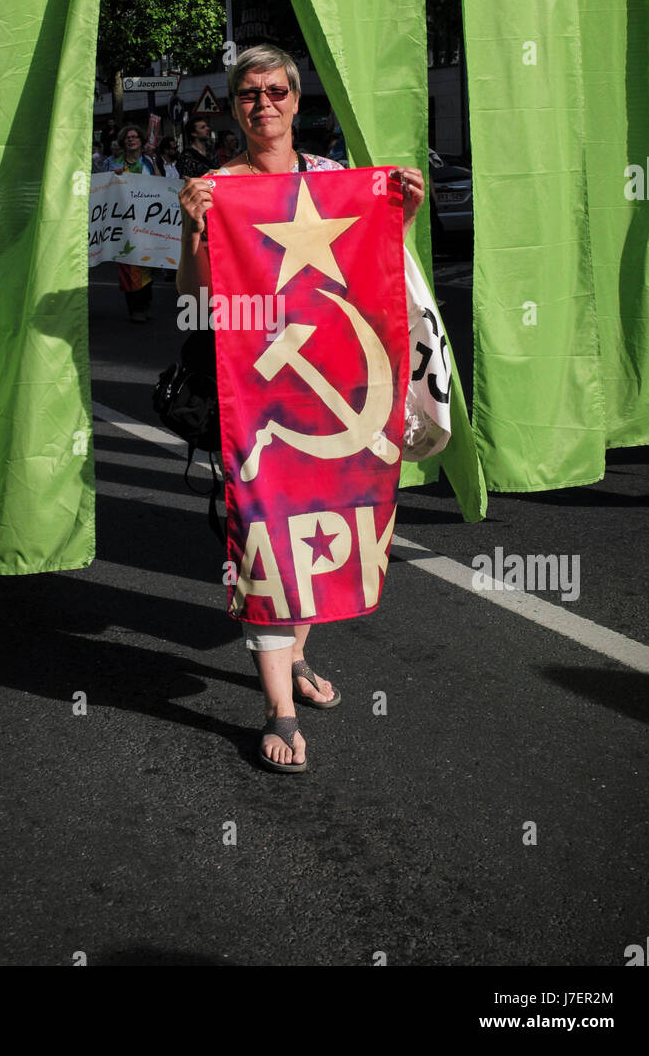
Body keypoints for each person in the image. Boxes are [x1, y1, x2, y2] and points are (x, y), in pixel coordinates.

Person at [177, 44, 424, 773]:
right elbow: (192, 305)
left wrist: (399, 215)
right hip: (253, 398)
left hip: (337, 388)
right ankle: (279, 706)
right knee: (266, 538)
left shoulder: (332, 180)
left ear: (294, 97)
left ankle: (300, 656)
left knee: (326, 534)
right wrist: (194, 231)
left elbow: (374, 273)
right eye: (249, 93)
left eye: (277, 90)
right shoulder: (215, 188)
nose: (265, 104)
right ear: (234, 104)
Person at [103, 124, 156, 322]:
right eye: (127, 137)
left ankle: (145, 304)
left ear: (141, 141)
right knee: (129, 266)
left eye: (134, 137)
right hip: (125, 224)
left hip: (148, 222)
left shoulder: (148, 162)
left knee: (148, 266)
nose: (131, 139)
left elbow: (159, 182)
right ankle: (135, 308)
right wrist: (113, 178)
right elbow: (106, 190)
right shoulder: (113, 164)